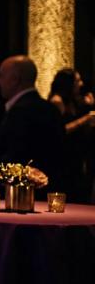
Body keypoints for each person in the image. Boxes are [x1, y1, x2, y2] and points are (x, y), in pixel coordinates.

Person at [0, 56, 65, 193]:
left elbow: (15, 163)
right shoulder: (51, 109)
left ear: (15, 79)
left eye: (1, 76)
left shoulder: (20, 112)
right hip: (51, 193)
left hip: (23, 197)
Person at [46, 68, 95, 202]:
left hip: (76, 158)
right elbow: (60, 130)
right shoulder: (57, 101)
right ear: (68, 83)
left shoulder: (72, 101)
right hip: (64, 159)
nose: (81, 84)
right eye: (77, 80)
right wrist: (85, 119)